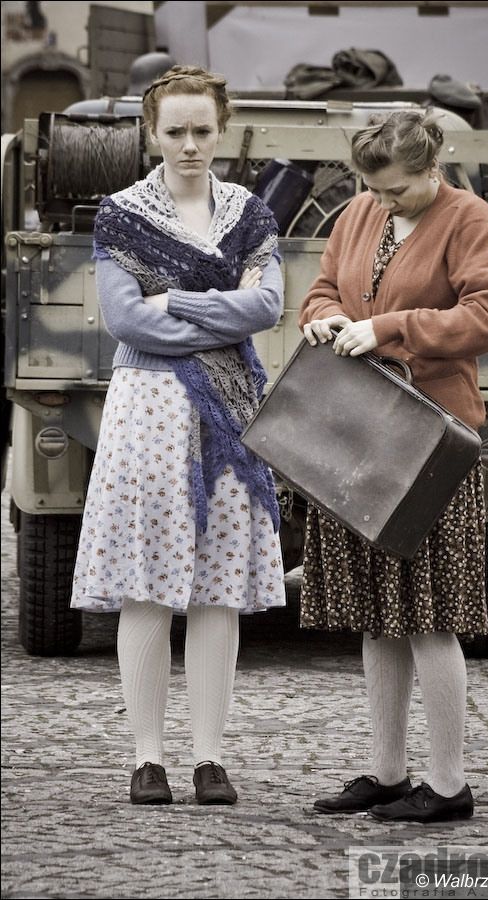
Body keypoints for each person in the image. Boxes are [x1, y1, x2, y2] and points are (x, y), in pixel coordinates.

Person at [71, 65, 286, 806]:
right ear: (151, 133)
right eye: (175, 131)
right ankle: (147, 758)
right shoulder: (122, 215)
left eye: (202, 130)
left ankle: (209, 758)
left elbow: (269, 307)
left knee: (218, 588)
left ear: (221, 130)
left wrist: (177, 300)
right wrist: (221, 306)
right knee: (146, 585)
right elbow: (127, 321)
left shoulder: (250, 213)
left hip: (228, 411)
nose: (190, 144)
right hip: (150, 411)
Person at [299, 108, 488, 823]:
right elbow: (324, 287)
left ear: (432, 168)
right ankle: (388, 774)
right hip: (361, 431)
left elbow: (485, 318)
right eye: (373, 188)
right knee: (377, 615)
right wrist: (324, 317)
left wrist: (387, 328)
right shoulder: (360, 212)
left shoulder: (470, 218)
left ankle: (449, 785)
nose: (381, 202)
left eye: (396, 190)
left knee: (432, 618)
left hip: (432, 439)